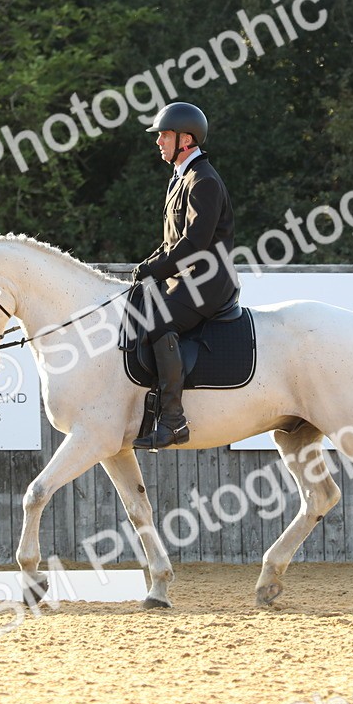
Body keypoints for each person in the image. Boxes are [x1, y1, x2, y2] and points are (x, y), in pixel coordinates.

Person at [131, 102, 238, 451]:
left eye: (164, 135)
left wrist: (155, 271)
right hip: (186, 280)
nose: (158, 141)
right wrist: (145, 266)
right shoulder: (180, 178)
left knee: (156, 322)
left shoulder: (203, 181)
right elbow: (170, 243)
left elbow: (193, 245)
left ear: (186, 139)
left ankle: (175, 421)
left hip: (208, 282)